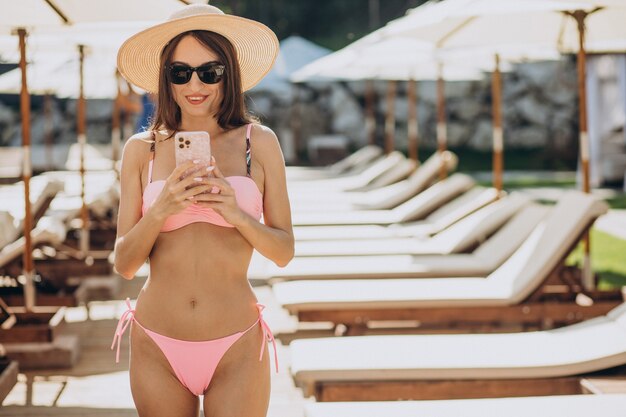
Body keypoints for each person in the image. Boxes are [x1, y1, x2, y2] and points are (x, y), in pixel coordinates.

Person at [111, 4, 293, 417]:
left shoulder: (258, 143)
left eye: (210, 72)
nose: (196, 84)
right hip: (158, 342)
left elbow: (283, 251)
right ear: (166, 78)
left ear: (228, 74)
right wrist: (161, 210)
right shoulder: (142, 150)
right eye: (181, 72)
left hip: (238, 344)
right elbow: (124, 263)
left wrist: (236, 212)